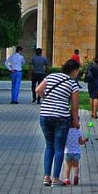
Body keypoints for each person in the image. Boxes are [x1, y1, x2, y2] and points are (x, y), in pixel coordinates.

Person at [35, 58, 81, 187]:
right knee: (59, 147)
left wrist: (47, 99)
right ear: (74, 70)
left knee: (49, 145)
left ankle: (46, 177)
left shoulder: (51, 76)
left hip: (45, 115)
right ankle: (55, 178)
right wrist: (76, 121)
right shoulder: (73, 84)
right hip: (61, 117)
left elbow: (38, 90)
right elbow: (75, 107)